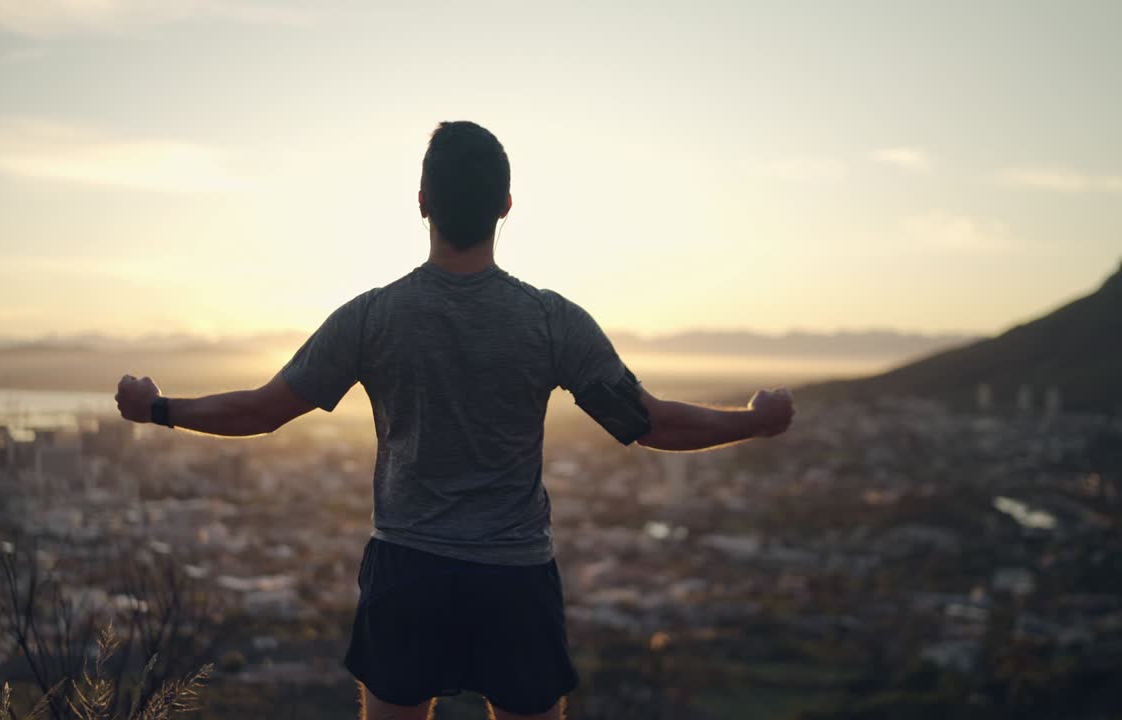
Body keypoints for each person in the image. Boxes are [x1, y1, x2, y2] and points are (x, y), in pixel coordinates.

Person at [115, 120, 794, 720]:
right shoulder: (552, 322)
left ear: (422, 205)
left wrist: (160, 409)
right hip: (515, 577)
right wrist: (753, 422)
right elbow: (650, 424)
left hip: (408, 570)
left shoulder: (373, 317)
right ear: (505, 206)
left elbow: (261, 411)